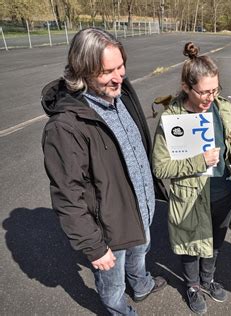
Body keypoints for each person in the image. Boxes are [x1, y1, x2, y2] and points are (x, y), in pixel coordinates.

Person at [41, 28, 168, 315]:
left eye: (121, 66)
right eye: (107, 71)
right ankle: (119, 310)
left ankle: (141, 284)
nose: (118, 76)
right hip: (110, 227)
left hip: (141, 208)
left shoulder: (121, 92)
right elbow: (67, 195)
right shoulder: (66, 127)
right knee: (112, 285)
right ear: (82, 71)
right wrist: (93, 247)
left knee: (141, 252)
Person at [152, 42, 231, 314]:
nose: (210, 97)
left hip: (223, 194)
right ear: (186, 87)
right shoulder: (173, 118)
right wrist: (199, 161)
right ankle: (192, 285)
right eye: (204, 92)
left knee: (216, 242)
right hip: (190, 197)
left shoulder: (221, 108)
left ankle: (208, 279)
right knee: (190, 245)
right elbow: (160, 167)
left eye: (215, 90)